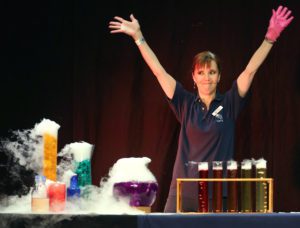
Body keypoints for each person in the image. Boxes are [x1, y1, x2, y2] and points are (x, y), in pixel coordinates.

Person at [109, 6, 293, 212]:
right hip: (182, 191)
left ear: (219, 76)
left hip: (218, 195)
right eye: (202, 72)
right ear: (194, 77)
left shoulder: (229, 103)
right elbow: (159, 72)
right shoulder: (184, 103)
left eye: (212, 72)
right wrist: (138, 37)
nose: (207, 77)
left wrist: (270, 39)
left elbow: (250, 71)